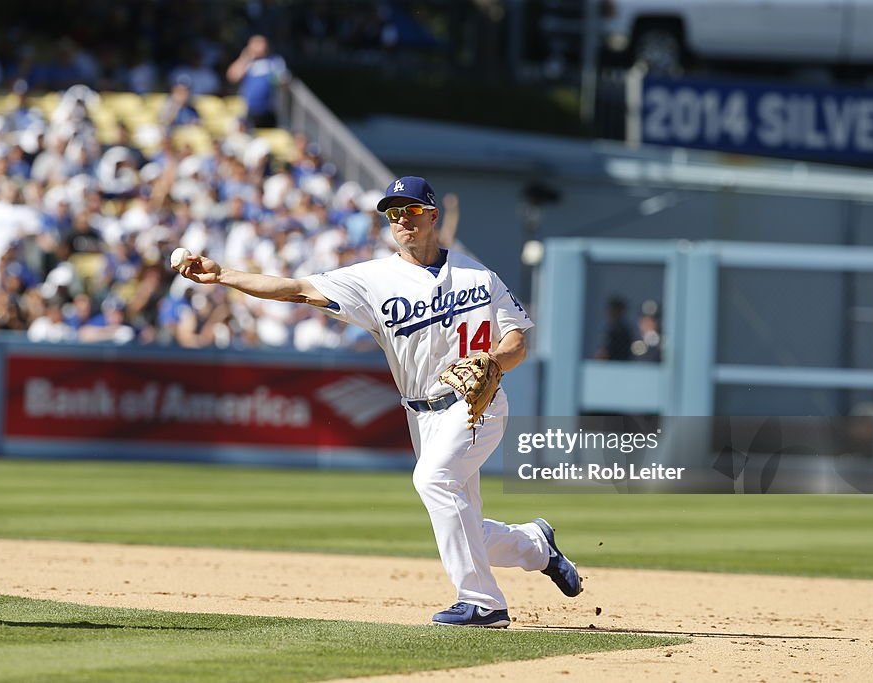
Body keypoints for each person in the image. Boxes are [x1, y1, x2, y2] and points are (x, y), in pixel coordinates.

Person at [174, 175, 582, 627]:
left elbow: (516, 343)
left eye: (411, 210)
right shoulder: (372, 279)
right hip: (420, 413)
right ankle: (535, 545)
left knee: (432, 481)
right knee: (461, 518)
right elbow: (295, 289)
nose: (402, 219)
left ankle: (484, 603)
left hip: (476, 405)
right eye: (393, 213)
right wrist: (223, 275)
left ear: (432, 215)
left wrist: (494, 362)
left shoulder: (478, 275)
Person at [225, 35, 288, 129]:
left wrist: (279, 80)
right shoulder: (247, 61)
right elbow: (232, 77)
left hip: (268, 109)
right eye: (256, 44)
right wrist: (245, 58)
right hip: (247, 109)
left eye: (261, 43)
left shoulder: (274, 61)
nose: (259, 47)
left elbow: (284, 80)